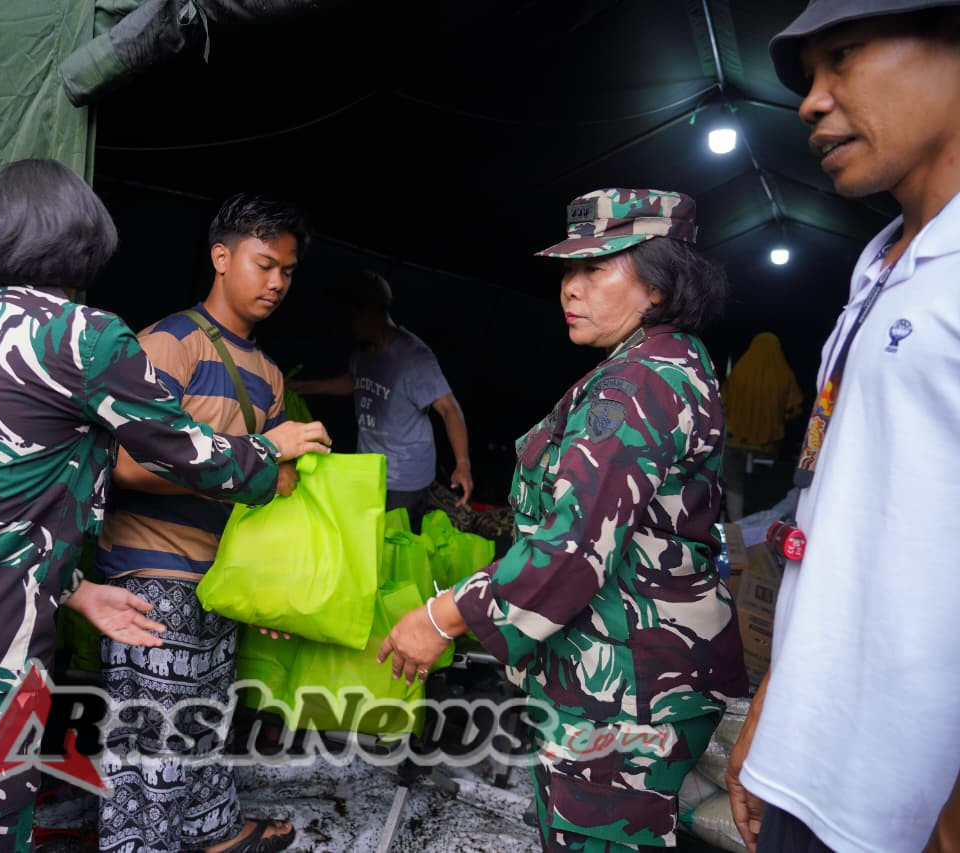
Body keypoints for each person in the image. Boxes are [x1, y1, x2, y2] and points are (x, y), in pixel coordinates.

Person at [0, 161, 331, 851]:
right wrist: (270, 448)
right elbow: (184, 452)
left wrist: (74, 590)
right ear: (86, 242)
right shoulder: (85, 335)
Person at [378, 188, 747, 853]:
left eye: (595, 269)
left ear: (659, 285)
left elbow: (572, 546)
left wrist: (439, 618)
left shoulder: (636, 385)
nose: (569, 289)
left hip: (627, 684)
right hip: (643, 668)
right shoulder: (672, 364)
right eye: (566, 271)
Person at [726, 3, 960, 851]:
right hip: (812, 767)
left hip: (906, 807)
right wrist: (769, 716)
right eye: (808, 79)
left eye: (845, 57)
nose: (810, 103)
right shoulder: (881, 270)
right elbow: (829, 523)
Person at [95, 193, 308, 853]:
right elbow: (127, 464)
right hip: (152, 571)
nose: (277, 282)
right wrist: (256, 459)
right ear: (221, 257)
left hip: (220, 578)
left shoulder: (268, 374)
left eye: (288, 271)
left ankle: (214, 831)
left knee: (204, 723)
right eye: (264, 263)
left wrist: (267, 582)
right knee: (152, 749)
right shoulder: (170, 343)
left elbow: (265, 489)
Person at [290, 270, 472, 532]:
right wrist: (305, 387)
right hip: (368, 468)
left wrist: (463, 465)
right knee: (366, 539)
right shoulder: (363, 352)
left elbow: (449, 409)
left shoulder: (413, 357)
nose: (345, 324)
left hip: (404, 480)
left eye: (350, 316)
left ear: (368, 313)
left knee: (395, 549)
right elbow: (355, 382)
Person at [719, 332, 805, 519]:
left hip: (735, 443)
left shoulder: (740, 372)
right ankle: (757, 526)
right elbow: (795, 410)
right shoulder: (783, 375)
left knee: (734, 484)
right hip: (767, 448)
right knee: (759, 487)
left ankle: (735, 524)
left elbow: (722, 402)